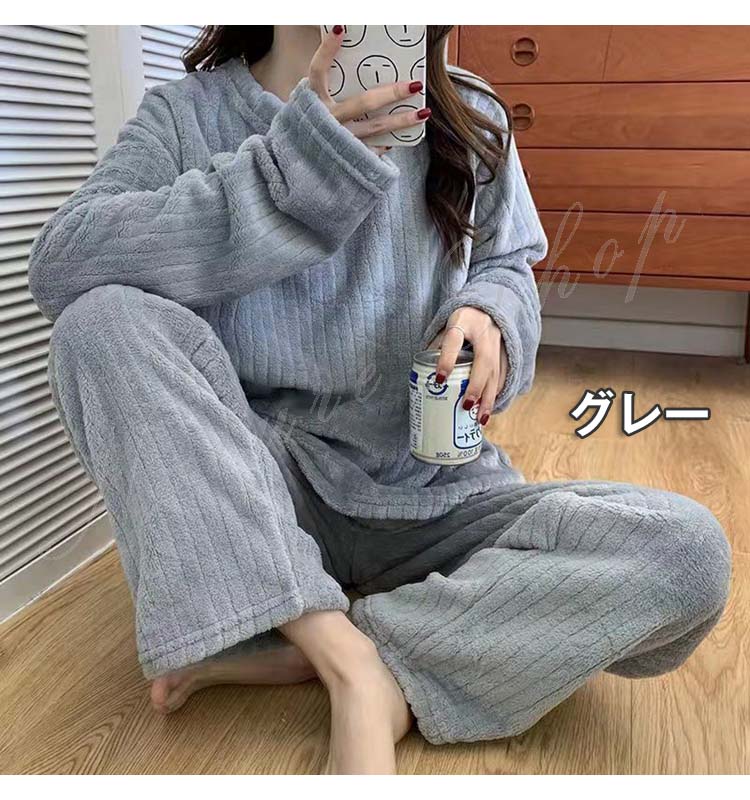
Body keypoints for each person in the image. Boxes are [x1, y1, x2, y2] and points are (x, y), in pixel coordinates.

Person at [28, 25, 731, 774]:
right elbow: (63, 263)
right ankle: (342, 652)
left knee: (685, 554)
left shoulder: (468, 113)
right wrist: (291, 170)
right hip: (267, 497)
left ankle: (324, 636)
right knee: (100, 322)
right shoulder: (187, 116)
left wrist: (492, 313)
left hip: (431, 491)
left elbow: (509, 263)